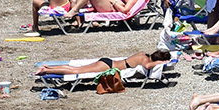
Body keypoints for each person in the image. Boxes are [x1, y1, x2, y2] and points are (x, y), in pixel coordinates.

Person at [34, 50, 172, 77]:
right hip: (107, 66)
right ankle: (46, 71)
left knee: (77, 68)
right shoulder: (145, 61)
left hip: (107, 61)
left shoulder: (143, 54)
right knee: (76, 71)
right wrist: (162, 62)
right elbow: (147, 66)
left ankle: (48, 68)